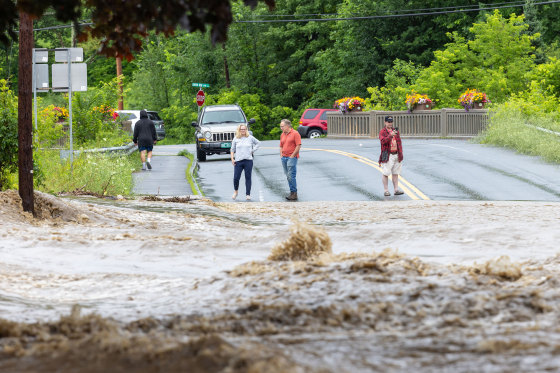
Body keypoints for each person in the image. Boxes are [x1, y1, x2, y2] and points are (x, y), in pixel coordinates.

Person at [230, 124, 260, 200]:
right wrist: (232, 159)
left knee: (248, 177)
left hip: (248, 160)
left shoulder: (250, 137)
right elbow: (232, 149)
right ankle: (236, 191)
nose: (243, 130)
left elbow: (258, 143)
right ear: (239, 130)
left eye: (244, 129)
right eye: (241, 129)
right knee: (236, 178)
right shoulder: (236, 138)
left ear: (246, 130)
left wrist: (253, 150)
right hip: (238, 161)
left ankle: (248, 194)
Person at [379, 115, 404, 196]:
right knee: (386, 173)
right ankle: (386, 190)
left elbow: (399, 143)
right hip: (388, 155)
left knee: (395, 173)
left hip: (397, 154)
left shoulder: (395, 131)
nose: (390, 123)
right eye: (388, 122)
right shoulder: (382, 132)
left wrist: (401, 154)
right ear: (385, 122)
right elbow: (383, 141)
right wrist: (391, 135)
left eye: (391, 122)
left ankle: (396, 190)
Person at [279, 119, 302, 201]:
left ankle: (294, 193)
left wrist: (292, 156)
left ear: (287, 126)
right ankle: (292, 193)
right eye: (280, 126)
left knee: (291, 175)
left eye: (282, 126)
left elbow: (298, 145)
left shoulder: (295, 133)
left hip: (291, 157)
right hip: (284, 157)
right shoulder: (282, 134)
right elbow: (281, 145)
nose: (281, 128)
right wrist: (281, 155)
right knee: (288, 176)